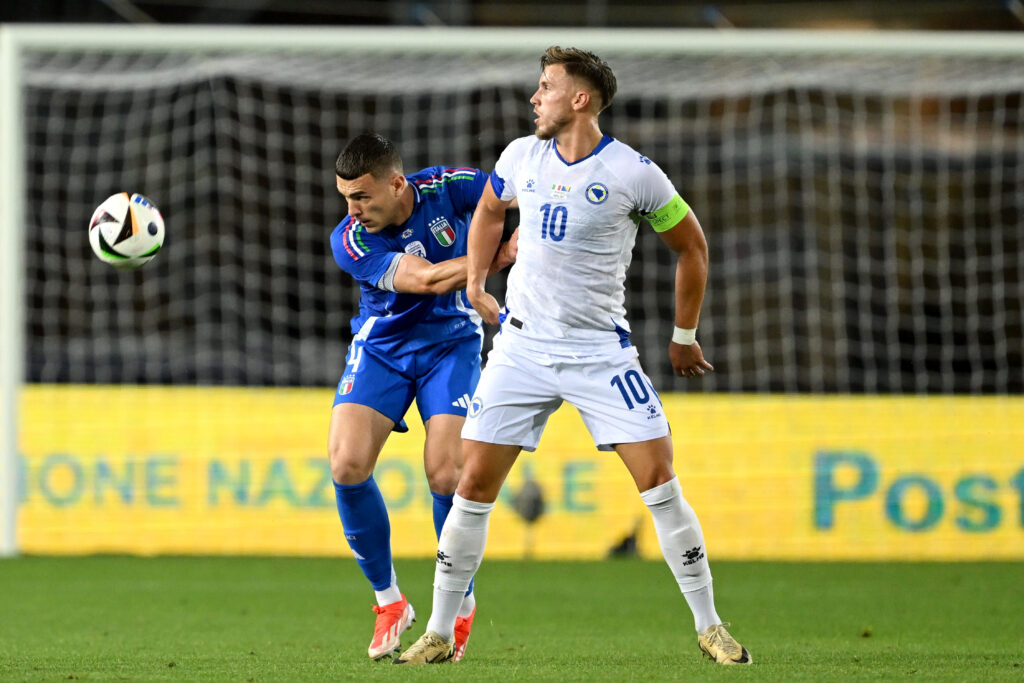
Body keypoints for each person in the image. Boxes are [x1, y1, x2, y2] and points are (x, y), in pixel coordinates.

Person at [395, 47, 751, 666]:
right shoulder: (518, 156)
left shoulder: (634, 173)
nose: (534, 98)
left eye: (545, 87)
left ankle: (710, 626)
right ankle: (439, 631)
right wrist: (477, 282)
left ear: (579, 100)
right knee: (470, 484)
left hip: (598, 351)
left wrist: (685, 335)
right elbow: (488, 211)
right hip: (522, 345)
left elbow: (692, 249)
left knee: (660, 481)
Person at [328, 132, 516, 661]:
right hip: (384, 347)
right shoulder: (350, 240)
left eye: (362, 197)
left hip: (450, 343)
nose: (353, 209)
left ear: (396, 182)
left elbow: (513, 194)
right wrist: (500, 256)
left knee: (446, 474)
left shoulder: (447, 186)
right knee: (346, 464)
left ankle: (459, 600)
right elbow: (431, 279)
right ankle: (390, 601)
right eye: (345, 197)